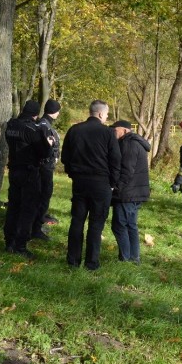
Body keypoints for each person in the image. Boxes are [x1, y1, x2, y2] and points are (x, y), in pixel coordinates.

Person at [61, 100, 121, 270]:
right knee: (96, 224)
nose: (107, 117)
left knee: (77, 221)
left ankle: (73, 260)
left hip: (79, 182)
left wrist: (73, 174)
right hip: (101, 183)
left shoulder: (74, 130)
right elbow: (116, 160)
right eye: (107, 114)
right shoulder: (108, 133)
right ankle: (91, 263)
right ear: (101, 114)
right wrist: (112, 183)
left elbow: (65, 157)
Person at [3, 100, 54, 260]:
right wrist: (49, 144)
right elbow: (44, 152)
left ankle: (9, 242)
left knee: (13, 207)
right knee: (28, 209)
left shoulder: (11, 125)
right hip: (29, 172)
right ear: (35, 114)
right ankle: (20, 245)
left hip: (14, 170)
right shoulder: (32, 129)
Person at [110, 120, 151, 263]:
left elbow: (127, 171)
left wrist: (116, 188)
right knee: (131, 225)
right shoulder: (135, 142)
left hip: (127, 193)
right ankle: (134, 258)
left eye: (115, 130)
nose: (113, 132)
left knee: (119, 225)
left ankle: (126, 258)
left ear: (125, 131)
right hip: (136, 192)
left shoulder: (129, 144)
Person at [31, 99, 62, 240]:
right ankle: (36, 228)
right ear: (56, 112)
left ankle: (36, 224)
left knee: (40, 197)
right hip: (44, 167)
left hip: (43, 165)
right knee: (43, 197)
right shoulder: (44, 125)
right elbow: (44, 147)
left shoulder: (43, 123)